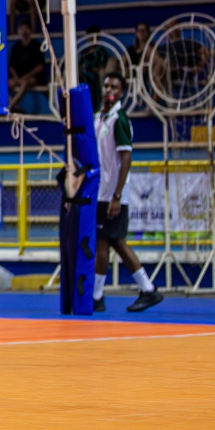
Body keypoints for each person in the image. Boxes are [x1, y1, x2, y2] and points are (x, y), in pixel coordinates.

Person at [92, 73, 163, 313]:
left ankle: (145, 289)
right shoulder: (100, 117)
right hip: (102, 192)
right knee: (107, 241)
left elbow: (126, 158)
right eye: (106, 85)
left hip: (113, 194)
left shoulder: (119, 119)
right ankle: (99, 295)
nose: (108, 89)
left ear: (122, 93)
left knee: (113, 241)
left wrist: (117, 195)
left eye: (114, 87)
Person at [8, 21, 47, 113]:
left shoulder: (36, 46)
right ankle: (15, 106)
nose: (24, 31)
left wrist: (26, 76)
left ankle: (10, 106)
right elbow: (11, 66)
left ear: (30, 30)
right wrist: (16, 77)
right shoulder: (16, 47)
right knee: (4, 84)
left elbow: (40, 67)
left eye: (26, 28)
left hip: (33, 78)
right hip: (18, 77)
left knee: (24, 83)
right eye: (21, 29)